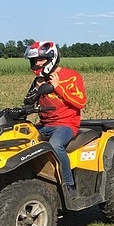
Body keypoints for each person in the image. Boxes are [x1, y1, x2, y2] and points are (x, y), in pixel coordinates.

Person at [23, 41, 87, 192]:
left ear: (51, 58)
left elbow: (80, 102)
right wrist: (35, 93)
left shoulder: (71, 76)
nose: (37, 63)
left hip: (66, 124)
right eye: (34, 61)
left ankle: (69, 184)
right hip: (44, 124)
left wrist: (58, 87)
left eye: (40, 60)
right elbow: (28, 103)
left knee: (55, 145)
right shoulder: (38, 80)